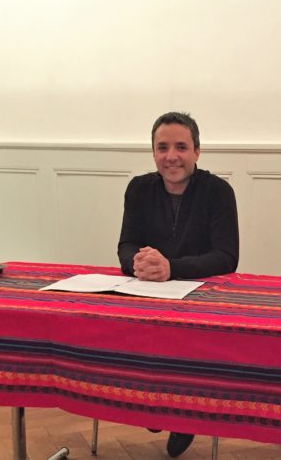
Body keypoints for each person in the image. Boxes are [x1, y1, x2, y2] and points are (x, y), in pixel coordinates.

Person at [118, 111, 239, 457]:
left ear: (197, 151)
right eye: (162, 147)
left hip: (201, 298)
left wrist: (171, 268)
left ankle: (183, 413)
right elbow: (126, 245)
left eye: (181, 147)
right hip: (149, 294)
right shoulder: (138, 189)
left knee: (187, 343)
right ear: (153, 152)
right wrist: (139, 262)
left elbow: (226, 257)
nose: (171, 156)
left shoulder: (218, 192)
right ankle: (154, 404)